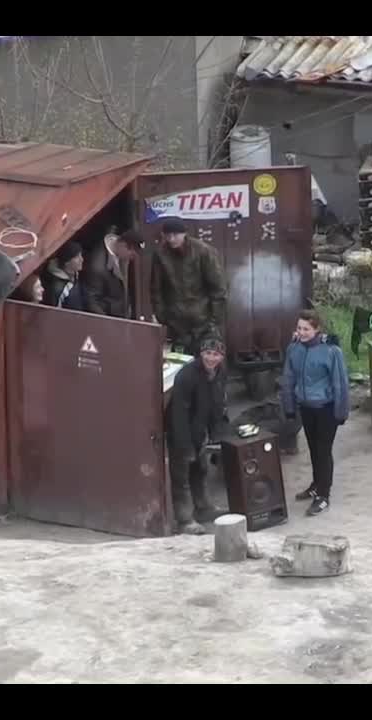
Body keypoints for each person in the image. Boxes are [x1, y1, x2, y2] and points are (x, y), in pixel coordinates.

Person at [281, 310, 349, 516]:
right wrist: (289, 407)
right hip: (306, 407)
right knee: (312, 448)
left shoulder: (331, 351)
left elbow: (340, 382)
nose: (302, 332)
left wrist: (341, 411)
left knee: (323, 450)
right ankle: (316, 484)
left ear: (317, 329)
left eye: (307, 329)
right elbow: (288, 378)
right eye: (299, 328)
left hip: (326, 409)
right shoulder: (294, 349)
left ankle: (323, 495)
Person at [165, 336, 229, 535]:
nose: (211, 358)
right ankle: (184, 520)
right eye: (207, 353)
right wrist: (184, 445)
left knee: (200, 471)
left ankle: (203, 508)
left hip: (200, 431)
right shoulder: (187, 375)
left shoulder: (220, 372)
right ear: (201, 354)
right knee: (181, 477)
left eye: (216, 354)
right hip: (181, 432)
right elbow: (179, 413)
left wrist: (216, 432)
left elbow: (217, 402)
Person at [150, 220, 228, 356]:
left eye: (175, 235)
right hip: (176, 321)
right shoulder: (160, 254)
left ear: (184, 234)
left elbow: (218, 287)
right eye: (168, 235)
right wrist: (162, 316)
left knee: (208, 360)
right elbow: (156, 288)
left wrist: (214, 321)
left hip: (204, 320)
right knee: (180, 363)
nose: (171, 239)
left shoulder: (203, 251)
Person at [83, 229, 141, 319]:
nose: (132, 259)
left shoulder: (122, 257)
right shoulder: (98, 267)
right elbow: (92, 302)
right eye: (132, 255)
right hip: (110, 319)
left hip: (121, 314)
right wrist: (109, 324)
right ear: (124, 246)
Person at [42, 241, 86, 311]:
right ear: (67, 263)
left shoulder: (75, 273)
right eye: (77, 257)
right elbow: (55, 313)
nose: (82, 259)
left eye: (81, 255)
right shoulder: (57, 289)